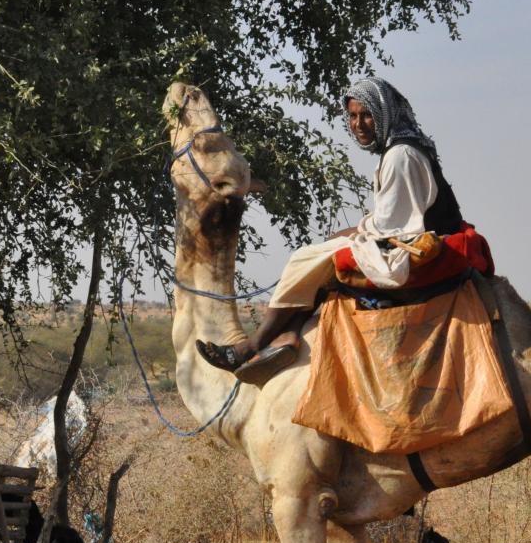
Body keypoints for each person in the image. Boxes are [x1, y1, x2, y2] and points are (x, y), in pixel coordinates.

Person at [197, 77, 468, 375]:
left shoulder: (399, 155)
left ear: (384, 113)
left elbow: (395, 227)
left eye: (367, 115)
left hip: (416, 251)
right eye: (352, 116)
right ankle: (289, 334)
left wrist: (356, 232)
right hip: (415, 239)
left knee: (306, 258)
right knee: (326, 251)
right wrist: (356, 231)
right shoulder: (399, 149)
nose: (359, 124)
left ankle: (251, 345)